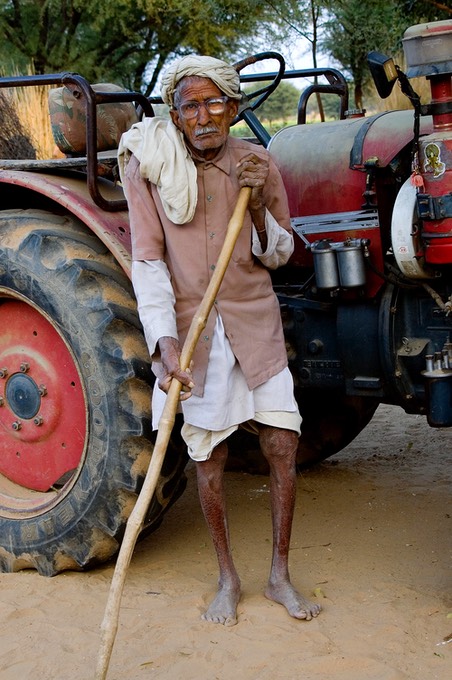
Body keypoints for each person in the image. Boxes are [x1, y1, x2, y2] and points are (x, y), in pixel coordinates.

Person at [118, 55, 321, 627]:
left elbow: (280, 253)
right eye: (190, 105)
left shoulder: (258, 163)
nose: (203, 116)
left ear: (233, 107)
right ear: (176, 115)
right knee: (209, 455)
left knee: (282, 443)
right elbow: (149, 263)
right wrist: (163, 344)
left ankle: (279, 574)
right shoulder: (150, 168)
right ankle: (227, 577)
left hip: (256, 325)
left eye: (214, 103)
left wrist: (256, 207)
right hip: (194, 336)